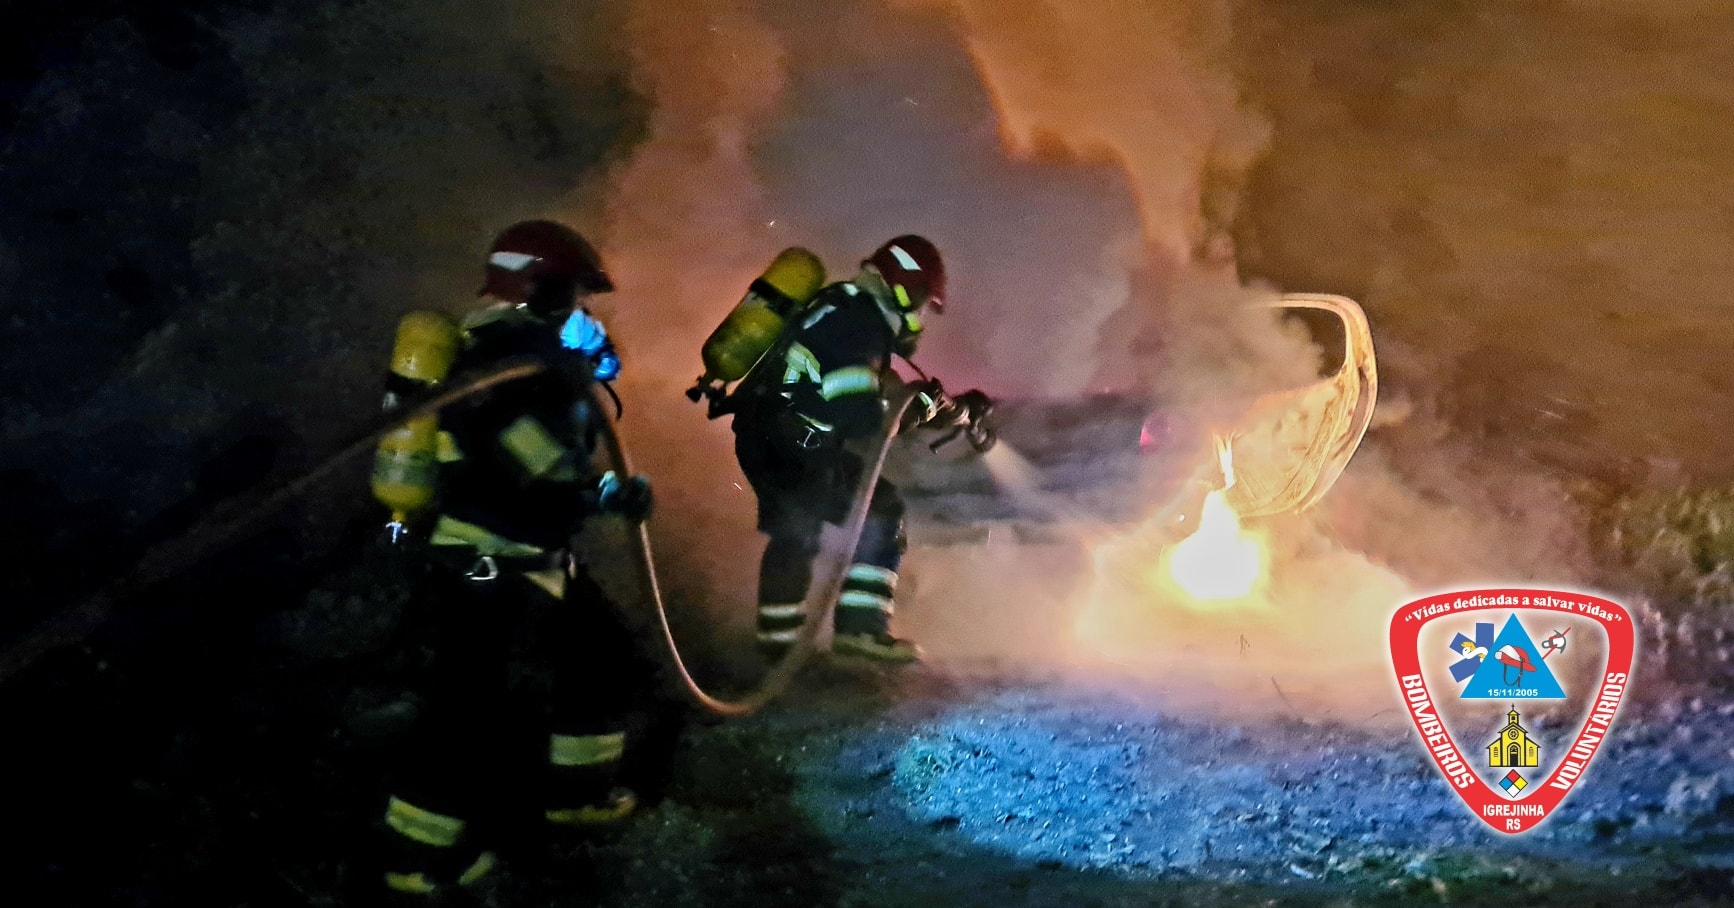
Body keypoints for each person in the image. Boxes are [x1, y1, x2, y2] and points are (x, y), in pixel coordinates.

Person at [373, 220, 657, 899]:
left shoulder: (525, 355)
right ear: (542, 288)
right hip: (485, 561)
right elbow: (536, 472)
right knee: (464, 714)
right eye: (575, 297)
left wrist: (586, 368)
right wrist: (607, 494)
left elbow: (549, 459)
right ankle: (416, 860)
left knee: (602, 654)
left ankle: (578, 794)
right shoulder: (504, 363)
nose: (585, 315)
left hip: (527, 554)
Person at [729, 234, 990, 664]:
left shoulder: (846, 306)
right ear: (908, 291)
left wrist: (949, 409)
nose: (922, 317)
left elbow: (876, 391)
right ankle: (829, 642)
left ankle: (796, 643)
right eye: (924, 304)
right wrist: (920, 408)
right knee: (834, 520)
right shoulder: (860, 326)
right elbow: (864, 416)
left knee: (821, 525)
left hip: (776, 436)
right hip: (792, 444)